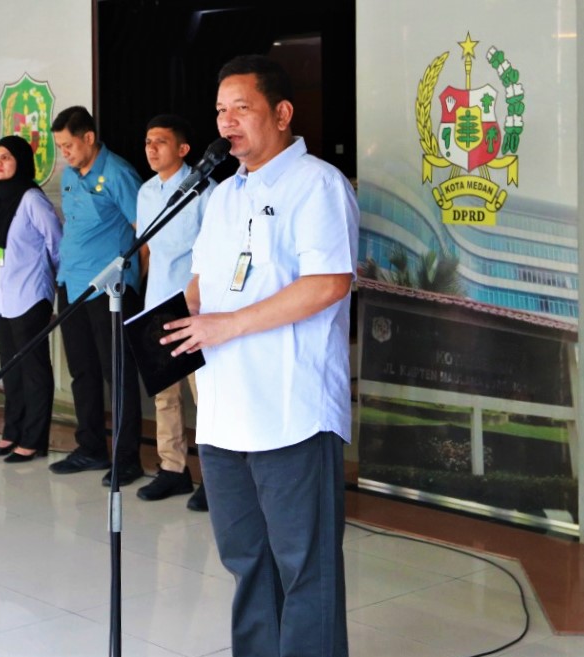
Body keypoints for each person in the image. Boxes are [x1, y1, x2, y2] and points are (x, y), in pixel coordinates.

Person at [161, 55, 358, 657]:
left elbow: (328, 282)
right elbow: (201, 287)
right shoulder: (219, 197)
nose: (227, 123)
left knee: (306, 568)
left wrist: (229, 325)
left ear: (282, 112)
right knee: (248, 561)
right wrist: (156, 328)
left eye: (241, 108)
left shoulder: (318, 185)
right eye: (220, 111)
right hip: (225, 415)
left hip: (291, 413)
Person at [47, 106, 145, 486]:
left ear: (89, 137)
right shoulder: (71, 176)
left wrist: (138, 284)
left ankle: (127, 458)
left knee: (116, 374)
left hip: (110, 291)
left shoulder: (120, 174)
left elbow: (145, 233)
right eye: (59, 147)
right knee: (81, 371)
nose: (65, 154)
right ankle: (90, 447)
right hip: (72, 285)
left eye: (68, 145)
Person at [134, 114, 211, 510]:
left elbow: (213, 250)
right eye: (148, 141)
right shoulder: (146, 192)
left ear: (182, 149)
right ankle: (172, 469)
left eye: (160, 141)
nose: (151, 148)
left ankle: (213, 479)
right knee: (165, 395)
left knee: (205, 397)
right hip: (156, 302)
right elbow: (145, 247)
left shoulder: (204, 189)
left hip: (195, 305)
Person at [0, 135, 62, 463]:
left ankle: (34, 439)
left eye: (7, 157)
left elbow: (56, 242)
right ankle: (11, 432)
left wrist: (51, 282)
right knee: (11, 371)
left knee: (34, 370)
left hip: (30, 295)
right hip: (3, 298)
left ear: (22, 163)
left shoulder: (31, 199)